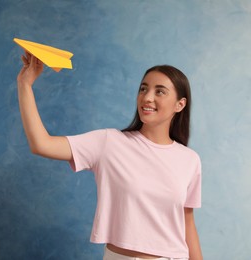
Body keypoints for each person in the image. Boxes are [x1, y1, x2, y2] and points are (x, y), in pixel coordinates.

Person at [17, 51, 203, 260]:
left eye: (160, 92)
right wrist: (25, 85)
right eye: (143, 89)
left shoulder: (190, 160)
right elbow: (41, 144)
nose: (147, 97)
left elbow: (188, 223)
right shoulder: (110, 142)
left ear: (180, 104)